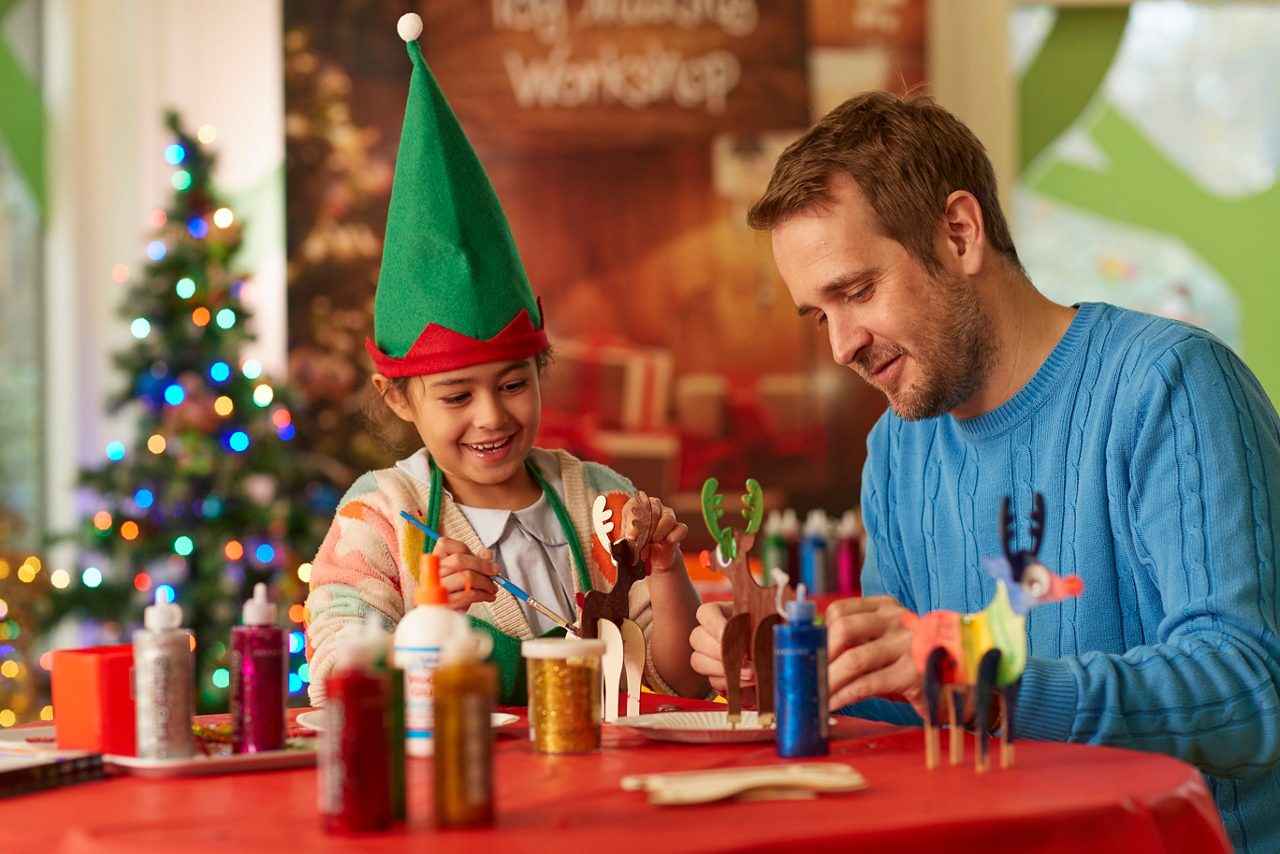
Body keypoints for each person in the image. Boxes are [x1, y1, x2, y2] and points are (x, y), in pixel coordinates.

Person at [688, 90, 1280, 851]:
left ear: (959, 234)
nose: (839, 347)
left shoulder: (1172, 387)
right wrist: (796, 674)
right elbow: (915, 705)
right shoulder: (897, 452)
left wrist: (983, 674)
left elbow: (1249, 693)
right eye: (819, 314)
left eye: (857, 292)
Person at [305, 14, 706, 705]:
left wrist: (665, 573)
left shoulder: (597, 502)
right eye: (456, 396)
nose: (492, 416)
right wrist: (427, 624)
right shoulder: (378, 518)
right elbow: (336, 678)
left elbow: (684, 681)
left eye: (514, 383)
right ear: (398, 396)